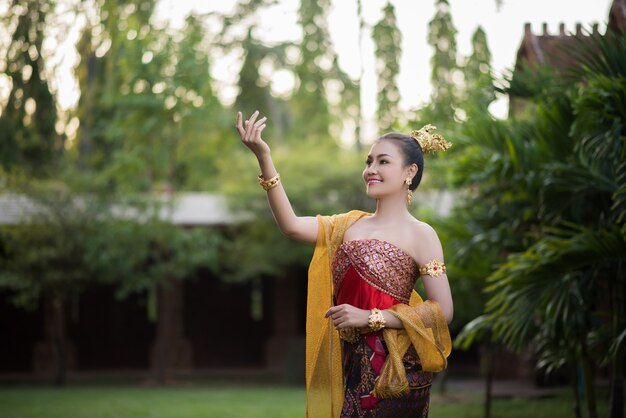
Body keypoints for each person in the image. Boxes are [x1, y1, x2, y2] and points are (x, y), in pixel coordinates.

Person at [235, 110, 454, 418]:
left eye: (383, 161)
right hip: (352, 360)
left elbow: (442, 310)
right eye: (368, 161)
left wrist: (370, 317)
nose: (371, 169)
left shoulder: (422, 234)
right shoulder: (349, 226)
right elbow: (291, 226)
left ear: (410, 172)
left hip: (397, 368)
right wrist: (264, 156)